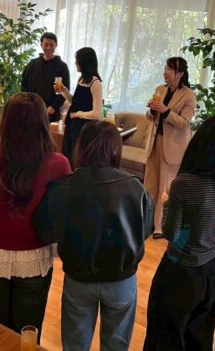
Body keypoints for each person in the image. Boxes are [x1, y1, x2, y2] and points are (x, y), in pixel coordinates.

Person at [34, 121, 153, 350]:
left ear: (80, 148)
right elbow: (145, 230)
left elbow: (44, 230)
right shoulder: (135, 188)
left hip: (78, 278)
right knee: (116, 346)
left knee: (75, 345)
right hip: (121, 279)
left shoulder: (62, 187)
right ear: (116, 149)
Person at [0, 93, 71, 337]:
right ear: (43, 125)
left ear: (6, 123)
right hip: (34, 258)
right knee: (27, 336)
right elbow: (63, 214)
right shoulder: (58, 164)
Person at [144, 116, 215, 351]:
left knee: (165, 338)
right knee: (199, 338)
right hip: (211, 270)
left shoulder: (183, 184)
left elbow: (171, 233)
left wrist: (166, 202)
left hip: (180, 271)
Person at [145, 56, 197, 239]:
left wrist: (166, 111)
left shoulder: (189, 95)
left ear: (180, 73)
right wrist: (152, 110)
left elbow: (184, 123)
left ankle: (160, 226)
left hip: (173, 147)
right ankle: (147, 221)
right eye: (165, 68)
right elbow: (150, 117)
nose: (165, 72)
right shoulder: (160, 89)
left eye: (169, 69)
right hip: (155, 142)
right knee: (150, 185)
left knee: (165, 188)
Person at [58, 47, 103, 165]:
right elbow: (76, 102)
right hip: (73, 125)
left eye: (77, 60)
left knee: (77, 161)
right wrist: (64, 91)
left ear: (84, 63)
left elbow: (98, 114)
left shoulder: (95, 83)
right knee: (68, 157)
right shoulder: (81, 79)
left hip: (84, 129)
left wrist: (78, 114)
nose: (75, 63)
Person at [21, 32, 70, 122]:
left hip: (51, 112)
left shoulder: (61, 66)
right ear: (41, 45)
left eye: (51, 45)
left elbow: (61, 90)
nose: (48, 48)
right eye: (46, 44)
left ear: (56, 45)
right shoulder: (33, 64)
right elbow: (24, 84)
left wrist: (54, 106)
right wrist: (27, 102)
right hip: (32, 109)